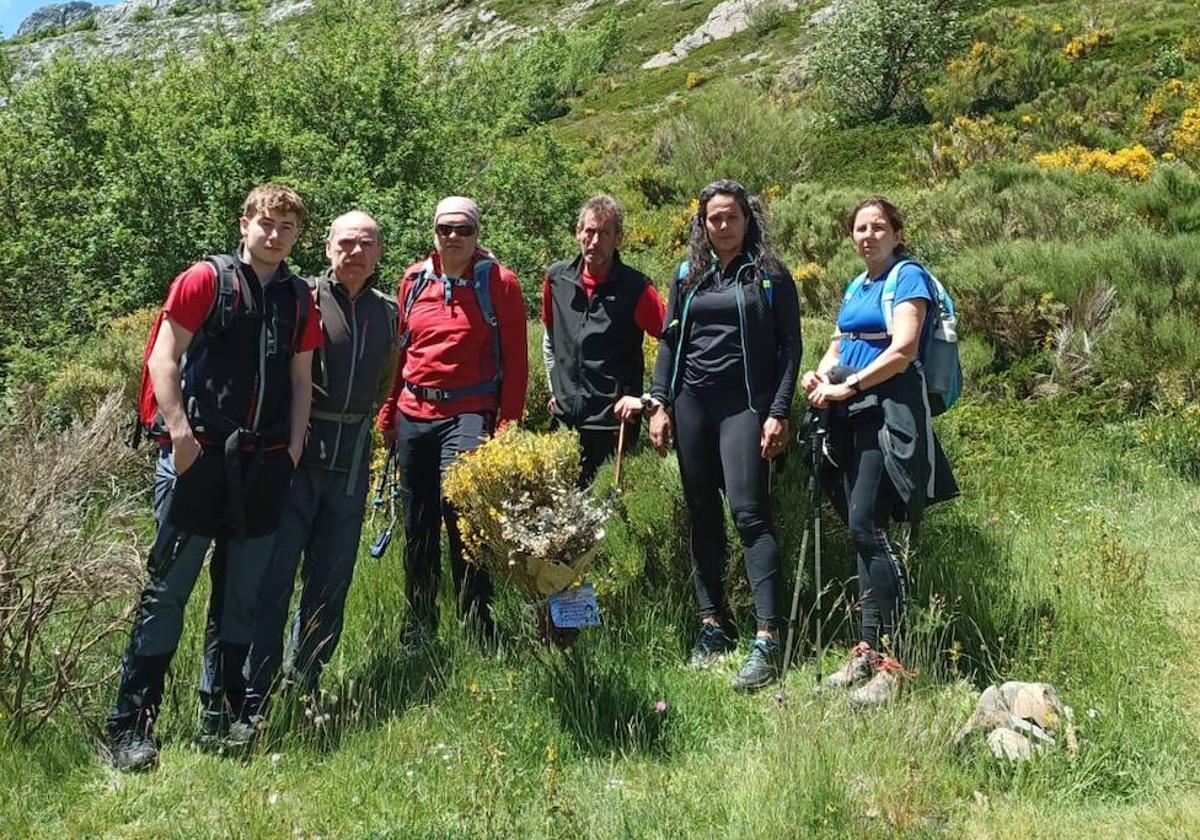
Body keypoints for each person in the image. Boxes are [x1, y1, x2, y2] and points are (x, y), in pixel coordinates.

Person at [107, 184, 321, 771]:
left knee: (241, 597)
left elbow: (302, 378)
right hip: (197, 459)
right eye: (266, 223)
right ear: (245, 223)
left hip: (264, 462)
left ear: (298, 235)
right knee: (167, 592)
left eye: (287, 227)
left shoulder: (299, 298)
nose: (275, 235)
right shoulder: (206, 279)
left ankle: (221, 714)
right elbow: (163, 358)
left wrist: (294, 448)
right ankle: (130, 726)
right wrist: (179, 436)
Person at [208, 211, 398, 739]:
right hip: (294, 463)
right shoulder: (303, 299)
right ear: (327, 247)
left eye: (366, 244)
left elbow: (385, 383)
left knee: (331, 582)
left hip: (352, 463)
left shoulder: (388, 314)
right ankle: (256, 692)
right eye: (345, 243)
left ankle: (306, 679)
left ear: (379, 253)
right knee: (274, 579)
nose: (355, 252)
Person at [801, 196, 958, 708]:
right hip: (849, 414)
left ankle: (898, 658)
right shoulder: (857, 285)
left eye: (878, 227)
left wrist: (851, 387)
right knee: (860, 528)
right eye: (860, 229)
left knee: (868, 526)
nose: (868, 236)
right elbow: (842, 342)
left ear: (897, 232)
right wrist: (821, 374)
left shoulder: (908, 277)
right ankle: (869, 649)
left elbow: (904, 348)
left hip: (886, 414)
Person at [648, 179, 801, 692]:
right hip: (692, 404)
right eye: (713, 218)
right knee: (702, 513)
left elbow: (790, 348)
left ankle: (768, 637)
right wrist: (659, 402)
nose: (722, 225)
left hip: (746, 405)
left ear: (747, 219)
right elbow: (671, 340)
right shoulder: (688, 273)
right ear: (702, 223)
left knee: (748, 512)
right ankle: (712, 625)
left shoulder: (771, 276)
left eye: (731, 216)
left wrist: (778, 411)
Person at [377, 196, 527, 646]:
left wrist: (508, 424)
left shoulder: (499, 282)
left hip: (468, 411)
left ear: (478, 233)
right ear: (434, 233)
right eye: (446, 229)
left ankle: (477, 622)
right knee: (417, 521)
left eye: (464, 229)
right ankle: (419, 623)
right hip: (414, 412)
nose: (454, 237)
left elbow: (517, 359)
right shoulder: (412, 280)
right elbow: (400, 353)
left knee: (463, 518)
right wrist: (388, 413)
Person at [541, 195, 665, 486]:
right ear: (578, 232)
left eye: (604, 233)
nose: (594, 241)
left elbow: (674, 342)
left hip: (612, 426)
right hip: (563, 424)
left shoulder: (637, 288)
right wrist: (554, 387)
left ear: (618, 239)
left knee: (605, 518)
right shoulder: (556, 279)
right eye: (589, 231)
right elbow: (550, 340)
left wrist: (651, 399)